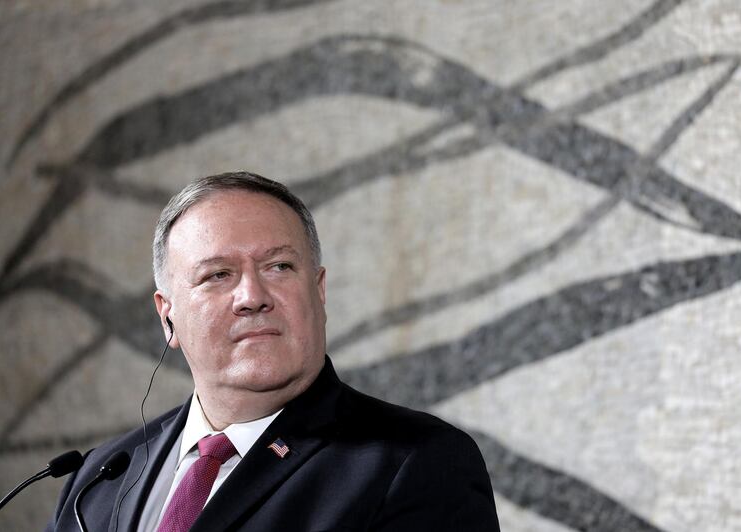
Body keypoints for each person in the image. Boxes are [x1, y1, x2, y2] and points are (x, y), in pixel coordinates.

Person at [46, 171, 500, 531]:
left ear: (318, 291)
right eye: (217, 275)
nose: (251, 295)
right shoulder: (97, 479)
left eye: (279, 266)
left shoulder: (417, 461)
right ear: (168, 317)